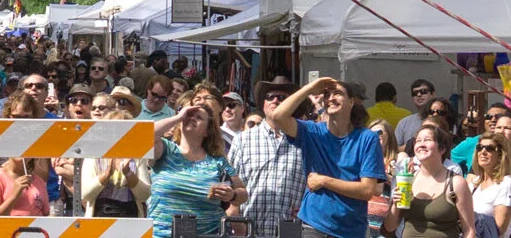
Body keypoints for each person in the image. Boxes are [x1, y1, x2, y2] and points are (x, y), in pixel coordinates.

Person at [268, 76, 386, 238]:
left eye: (337, 93)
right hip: (314, 225)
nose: (331, 98)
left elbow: (367, 190)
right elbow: (278, 116)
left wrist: (324, 181)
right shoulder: (312, 131)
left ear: (351, 102)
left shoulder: (367, 138)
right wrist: (310, 88)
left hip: (350, 230)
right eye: (327, 95)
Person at [147, 101, 246, 235]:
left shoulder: (217, 161)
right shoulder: (165, 150)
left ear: (207, 131)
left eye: (199, 117)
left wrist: (232, 195)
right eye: (189, 115)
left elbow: (243, 194)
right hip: (162, 234)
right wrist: (178, 117)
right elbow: (145, 134)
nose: (192, 118)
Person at [230, 88, 307, 236]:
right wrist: (235, 218)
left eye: (281, 97)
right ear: (263, 103)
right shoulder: (242, 140)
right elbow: (230, 183)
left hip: (292, 231)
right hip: (249, 229)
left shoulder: (305, 140)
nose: (275, 100)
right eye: (269, 96)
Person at [386, 123, 474, 238]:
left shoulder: (456, 183)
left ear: (442, 148)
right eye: (418, 141)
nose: (421, 144)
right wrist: (395, 206)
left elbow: (469, 230)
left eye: (427, 140)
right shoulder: (407, 179)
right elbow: (390, 227)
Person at [81, 94, 142, 218]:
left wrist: (129, 174)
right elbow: (85, 194)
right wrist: (105, 175)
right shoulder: (94, 155)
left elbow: (144, 195)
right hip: (99, 216)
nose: (117, 134)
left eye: (122, 130)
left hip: (130, 215)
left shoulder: (137, 155)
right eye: (112, 129)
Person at [470, 134, 511, 238]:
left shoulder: (506, 184)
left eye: (489, 148)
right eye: (479, 148)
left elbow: (499, 229)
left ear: (500, 155)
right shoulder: (474, 184)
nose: (483, 152)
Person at [399, 83, 438, 149]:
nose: (419, 95)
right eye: (415, 93)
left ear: (433, 94)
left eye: (423, 91)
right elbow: (394, 149)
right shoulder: (404, 123)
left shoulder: (441, 119)